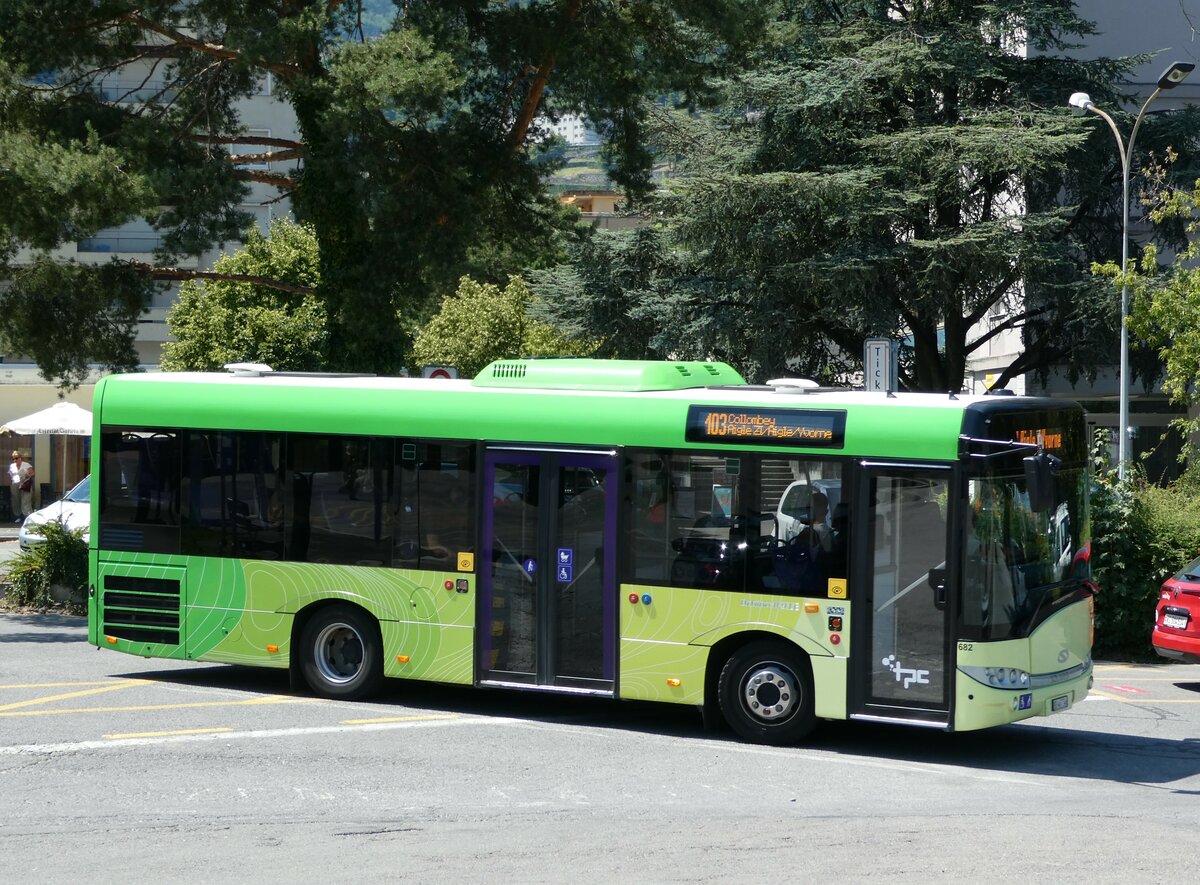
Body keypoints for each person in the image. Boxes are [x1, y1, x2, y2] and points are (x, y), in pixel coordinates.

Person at [8, 450, 34, 523]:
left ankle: (28, 517)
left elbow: (32, 473)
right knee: (16, 501)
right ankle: (18, 516)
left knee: (26, 501)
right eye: (13, 458)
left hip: (25, 483)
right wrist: (10, 485)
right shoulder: (12, 466)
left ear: (20, 458)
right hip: (15, 484)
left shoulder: (26, 464)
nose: (15, 460)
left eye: (16, 458)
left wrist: (28, 475)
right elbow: (10, 476)